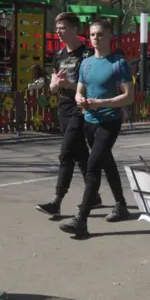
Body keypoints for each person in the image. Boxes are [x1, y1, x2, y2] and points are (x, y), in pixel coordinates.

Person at [59, 17, 134, 237]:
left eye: (100, 34)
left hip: (109, 122)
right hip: (89, 122)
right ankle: (121, 205)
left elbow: (128, 97)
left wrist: (101, 103)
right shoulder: (86, 63)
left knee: (92, 167)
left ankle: (80, 220)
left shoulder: (118, 63)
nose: (96, 39)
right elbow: (80, 90)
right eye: (92, 35)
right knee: (106, 162)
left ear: (110, 36)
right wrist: (81, 99)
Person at [36, 12, 100, 218]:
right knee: (80, 154)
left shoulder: (87, 56)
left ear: (75, 29)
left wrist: (69, 84)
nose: (59, 32)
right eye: (57, 29)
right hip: (63, 109)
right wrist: (55, 84)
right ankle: (95, 195)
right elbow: (54, 87)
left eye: (62, 28)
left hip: (80, 110)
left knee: (65, 155)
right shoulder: (59, 55)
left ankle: (57, 201)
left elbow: (91, 87)